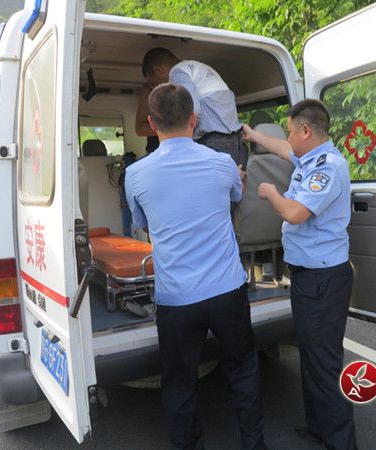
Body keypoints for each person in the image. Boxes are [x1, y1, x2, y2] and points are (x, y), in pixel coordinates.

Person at [125, 83, 266, 450]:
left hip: (177, 299)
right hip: (227, 291)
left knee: (180, 383)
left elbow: (143, 223)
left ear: (152, 123)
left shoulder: (136, 174)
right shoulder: (222, 163)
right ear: (194, 119)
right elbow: (235, 195)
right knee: (243, 371)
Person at [243, 99, 356, 449]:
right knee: (311, 355)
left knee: (324, 363)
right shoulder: (308, 158)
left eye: (291, 131)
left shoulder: (327, 168)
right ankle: (320, 428)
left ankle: (342, 442)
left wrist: (270, 192)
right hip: (309, 278)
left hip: (323, 280)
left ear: (306, 131)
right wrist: (253, 136)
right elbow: (282, 149)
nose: (288, 138)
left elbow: (294, 213)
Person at [138, 47, 248, 168]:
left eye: (154, 83)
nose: (157, 87)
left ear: (158, 70)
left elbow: (191, 111)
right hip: (236, 142)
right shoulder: (198, 68)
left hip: (214, 143)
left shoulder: (177, 72)